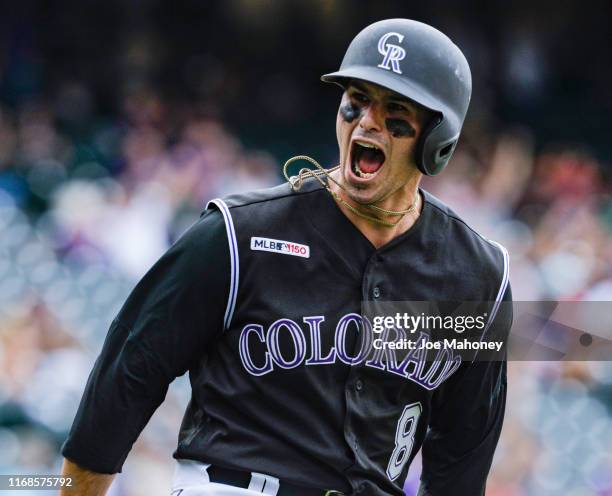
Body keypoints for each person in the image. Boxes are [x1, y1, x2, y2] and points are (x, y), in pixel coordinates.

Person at [61, 18, 512, 496]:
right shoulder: (241, 235)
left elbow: (461, 460)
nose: (367, 122)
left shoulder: (475, 279)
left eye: (394, 110)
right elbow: (127, 376)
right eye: (356, 102)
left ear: (437, 141)